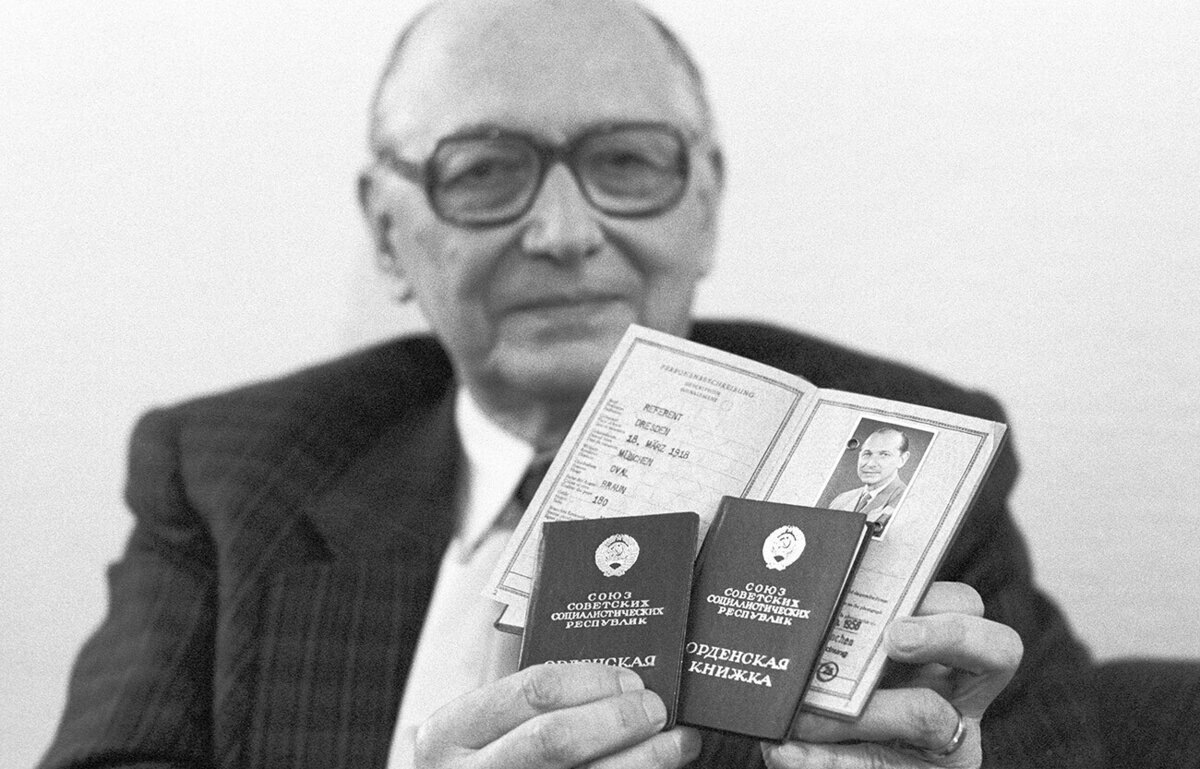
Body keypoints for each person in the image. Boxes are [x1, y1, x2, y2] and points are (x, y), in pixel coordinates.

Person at [40, 1, 1105, 768]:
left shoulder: (905, 461)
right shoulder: (228, 472)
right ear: (387, 232)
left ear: (706, 206)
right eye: (483, 171)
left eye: (628, 163)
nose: (563, 232)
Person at [829, 428, 910, 536]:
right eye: (867, 454)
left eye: (884, 454)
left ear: (902, 459)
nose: (870, 463)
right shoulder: (841, 500)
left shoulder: (907, 503)